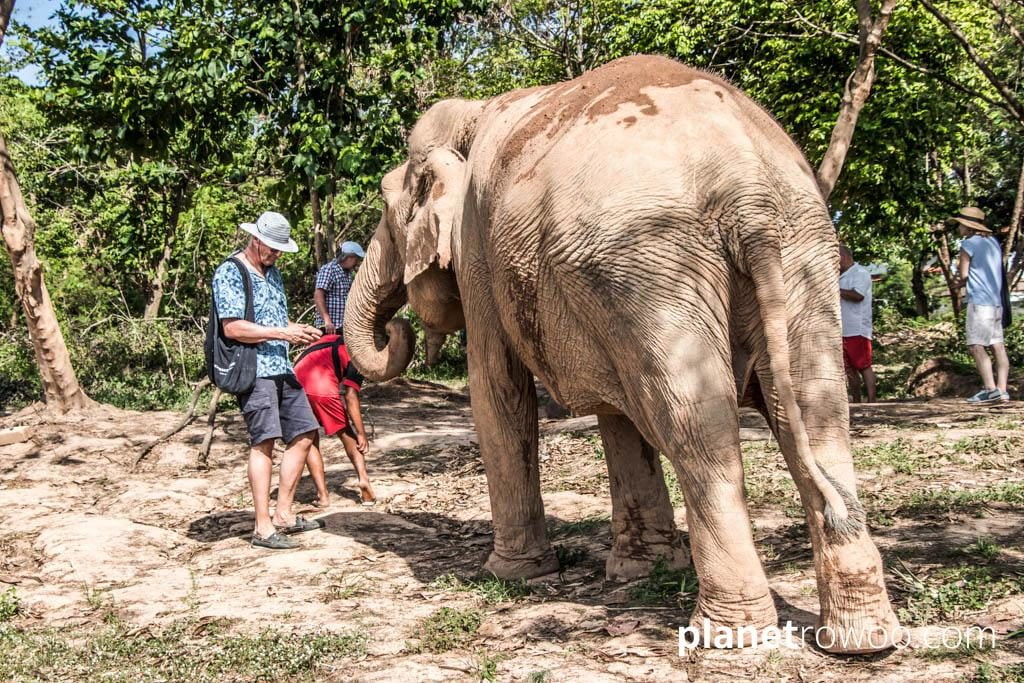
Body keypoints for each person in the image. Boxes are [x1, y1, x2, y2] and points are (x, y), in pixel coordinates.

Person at [212, 211, 325, 550]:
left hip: (282, 366)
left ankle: (284, 514)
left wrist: (296, 330)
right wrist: (283, 333)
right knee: (264, 441)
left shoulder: (273, 273)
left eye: (280, 250)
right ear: (256, 239)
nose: (276, 255)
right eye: (272, 248)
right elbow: (233, 327)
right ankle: (262, 527)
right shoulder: (231, 271)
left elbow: (273, 320)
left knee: (305, 433)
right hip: (255, 370)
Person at [293, 334, 375, 506]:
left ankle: (322, 496)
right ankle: (363, 479)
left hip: (296, 383)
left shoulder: (333, 338)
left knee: (309, 439)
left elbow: (299, 357)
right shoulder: (359, 355)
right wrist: (361, 433)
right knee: (346, 433)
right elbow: (350, 396)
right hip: (321, 386)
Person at [954, 207, 1011, 404]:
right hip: (996, 303)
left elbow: (963, 275)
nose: (959, 228)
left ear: (968, 227)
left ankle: (989, 389)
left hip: (979, 301)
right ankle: (1002, 390)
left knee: (976, 345)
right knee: (998, 346)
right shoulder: (993, 242)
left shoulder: (968, 244)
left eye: (960, 224)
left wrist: (957, 284)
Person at [839, 245, 877, 403]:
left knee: (863, 365)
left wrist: (836, 290)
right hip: (842, 328)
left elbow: (858, 295)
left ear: (844, 257)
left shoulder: (860, 273)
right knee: (849, 369)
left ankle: (872, 401)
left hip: (857, 328)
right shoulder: (839, 275)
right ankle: (856, 401)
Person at [313, 241, 366, 336]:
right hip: (329, 327)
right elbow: (318, 295)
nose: (357, 262)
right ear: (348, 257)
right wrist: (327, 321)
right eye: (356, 259)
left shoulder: (347, 273)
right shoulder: (329, 269)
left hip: (342, 326)